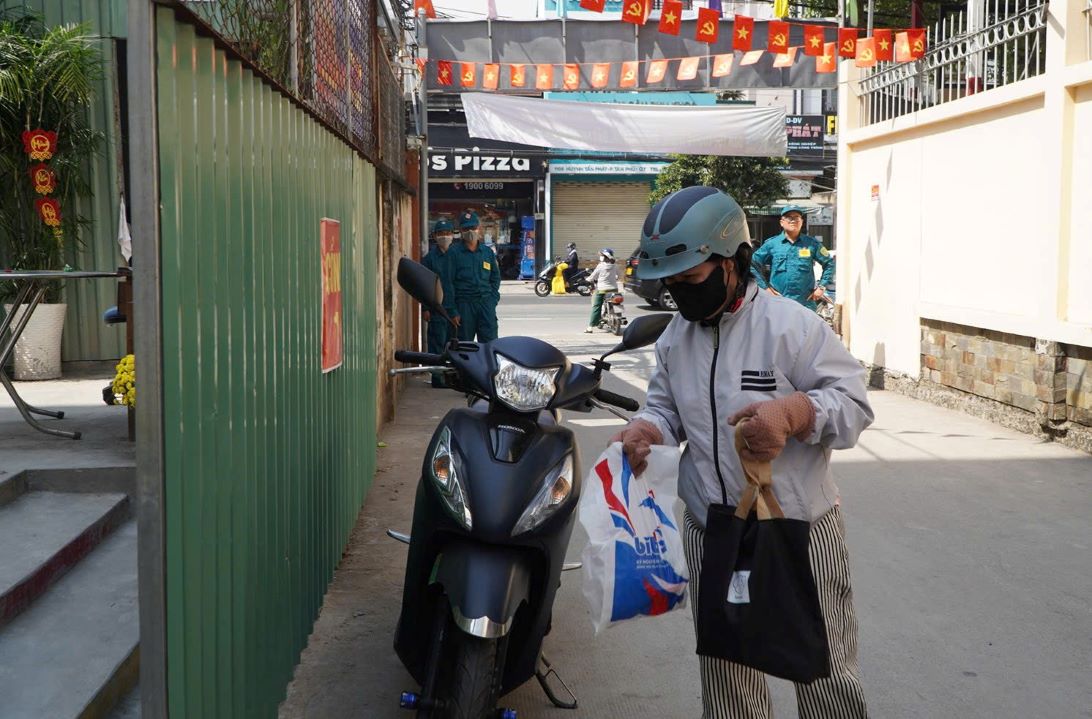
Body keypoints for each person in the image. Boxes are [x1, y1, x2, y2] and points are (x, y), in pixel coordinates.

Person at [610, 186, 874, 719]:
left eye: (691, 278)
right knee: (728, 675)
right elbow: (667, 408)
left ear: (734, 261)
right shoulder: (675, 338)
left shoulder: (792, 328)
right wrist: (647, 429)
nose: (681, 295)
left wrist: (794, 413)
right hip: (715, 530)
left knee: (821, 668)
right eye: (672, 283)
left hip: (798, 529)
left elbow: (853, 406)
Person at [750, 205, 834, 311]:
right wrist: (765, 288)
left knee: (806, 328)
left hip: (805, 304)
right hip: (779, 303)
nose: (793, 220)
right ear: (782, 222)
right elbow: (752, 263)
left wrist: (821, 287)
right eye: (789, 217)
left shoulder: (812, 244)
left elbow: (830, 263)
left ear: (802, 222)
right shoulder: (772, 244)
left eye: (797, 217)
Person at [451, 210, 501, 343]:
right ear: (461, 230)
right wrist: (453, 310)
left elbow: (495, 278)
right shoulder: (453, 253)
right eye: (466, 228)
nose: (470, 231)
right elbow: (448, 283)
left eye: (473, 227)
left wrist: (493, 300)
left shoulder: (487, 252)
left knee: (490, 345)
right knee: (464, 347)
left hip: (485, 304)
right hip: (464, 306)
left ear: (478, 228)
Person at [421, 219, 460, 387]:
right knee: (437, 344)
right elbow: (424, 285)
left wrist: (458, 311)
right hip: (436, 308)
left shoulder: (457, 256)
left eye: (447, 233)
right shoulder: (429, 259)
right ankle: (438, 379)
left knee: (454, 346)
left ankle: (453, 378)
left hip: (454, 308)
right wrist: (425, 308)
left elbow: (460, 283)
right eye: (441, 234)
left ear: (453, 235)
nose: (445, 237)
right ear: (435, 236)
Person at [584, 248, 621, 333]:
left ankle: (590, 327)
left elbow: (593, 276)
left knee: (596, 306)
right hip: (613, 289)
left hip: (601, 289)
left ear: (605, 257)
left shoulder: (600, 266)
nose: (600, 257)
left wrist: (587, 280)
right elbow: (619, 275)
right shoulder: (615, 265)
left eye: (601, 255)